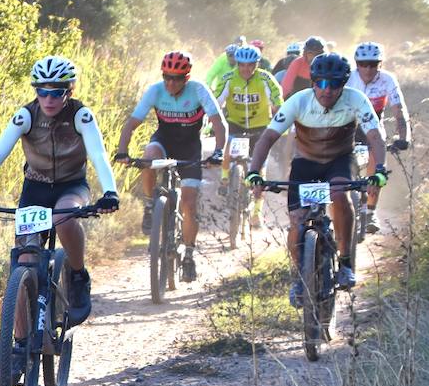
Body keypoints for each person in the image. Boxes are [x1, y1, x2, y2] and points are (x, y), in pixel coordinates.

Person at [0, 56, 118, 376]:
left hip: (71, 186)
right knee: (24, 261)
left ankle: (78, 276)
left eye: (57, 92)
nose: (49, 98)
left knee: (64, 218)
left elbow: (98, 154)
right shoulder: (25, 115)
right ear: (35, 91)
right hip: (35, 190)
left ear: (69, 91)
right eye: (42, 91)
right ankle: (19, 345)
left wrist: (110, 192)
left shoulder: (81, 116)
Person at [246, 53, 388, 304]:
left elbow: (375, 137)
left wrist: (379, 170)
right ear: (313, 82)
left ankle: (345, 262)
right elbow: (268, 138)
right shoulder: (298, 102)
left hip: (340, 161)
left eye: (334, 84)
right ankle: (300, 276)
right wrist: (255, 171)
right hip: (306, 164)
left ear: (343, 85)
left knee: (339, 195)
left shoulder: (356, 100)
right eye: (321, 83)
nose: (327, 90)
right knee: (296, 221)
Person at [115, 51, 228, 283]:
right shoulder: (156, 90)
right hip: (164, 142)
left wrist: (218, 151)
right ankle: (150, 204)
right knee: (148, 157)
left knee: (188, 205)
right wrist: (122, 151)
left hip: (190, 149)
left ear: (186, 78)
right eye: (167, 76)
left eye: (176, 78)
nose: (170, 83)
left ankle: (188, 254)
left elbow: (219, 123)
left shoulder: (198, 90)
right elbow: (132, 123)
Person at [347, 41, 412, 233]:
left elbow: (399, 109)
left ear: (380, 64)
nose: (368, 69)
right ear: (356, 64)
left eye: (373, 64)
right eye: (363, 64)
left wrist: (404, 136)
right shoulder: (348, 78)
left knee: (377, 168)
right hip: (349, 125)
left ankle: (370, 211)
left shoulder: (387, 79)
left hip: (374, 127)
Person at [215, 45, 284, 226]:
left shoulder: (265, 78)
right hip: (235, 123)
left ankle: (256, 212)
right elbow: (216, 101)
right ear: (237, 64)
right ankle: (224, 178)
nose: (246, 69)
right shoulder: (228, 78)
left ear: (257, 64)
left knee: (259, 168)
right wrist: (211, 120)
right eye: (242, 65)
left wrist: (279, 114)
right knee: (228, 146)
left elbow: (277, 99)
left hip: (260, 126)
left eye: (251, 65)